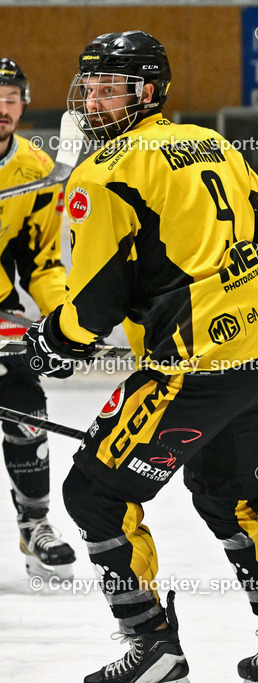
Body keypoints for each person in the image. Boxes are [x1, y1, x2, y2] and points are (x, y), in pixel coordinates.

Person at [22, 31, 258, 683]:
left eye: (112, 86)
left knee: (93, 492)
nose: (95, 100)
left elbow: (94, 306)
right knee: (231, 495)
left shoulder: (105, 174)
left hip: (195, 366)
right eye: (92, 86)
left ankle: (152, 643)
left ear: (149, 91)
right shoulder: (211, 142)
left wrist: (49, 344)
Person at [0, 58, 77, 580]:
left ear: (24, 104)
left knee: (24, 403)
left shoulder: (36, 171)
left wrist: (66, 321)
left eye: (11, 97)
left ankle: (35, 525)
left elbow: (42, 262)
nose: (2, 108)